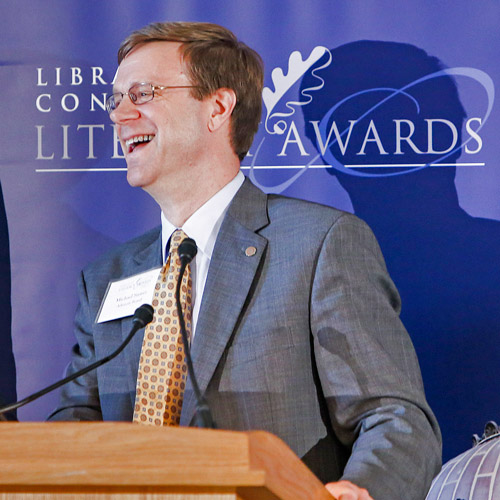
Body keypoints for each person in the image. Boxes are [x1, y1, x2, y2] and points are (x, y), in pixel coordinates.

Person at [48, 22, 441, 500]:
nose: (119, 115)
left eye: (143, 93)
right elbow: (73, 431)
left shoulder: (318, 245)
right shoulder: (107, 277)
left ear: (217, 107)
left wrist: (360, 490)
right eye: (115, 100)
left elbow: (394, 417)